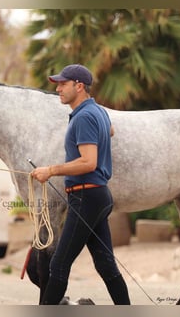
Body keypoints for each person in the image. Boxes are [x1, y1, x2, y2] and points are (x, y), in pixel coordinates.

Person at [30, 64, 130, 305]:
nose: (58, 89)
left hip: (86, 197)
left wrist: (50, 170)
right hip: (97, 197)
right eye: (58, 84)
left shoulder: (84, 117)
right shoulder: (97, 112)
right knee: (106, 266)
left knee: (59, 264)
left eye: (63, 84)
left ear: (79, 86)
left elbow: (88, 162)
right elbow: (111, 131)